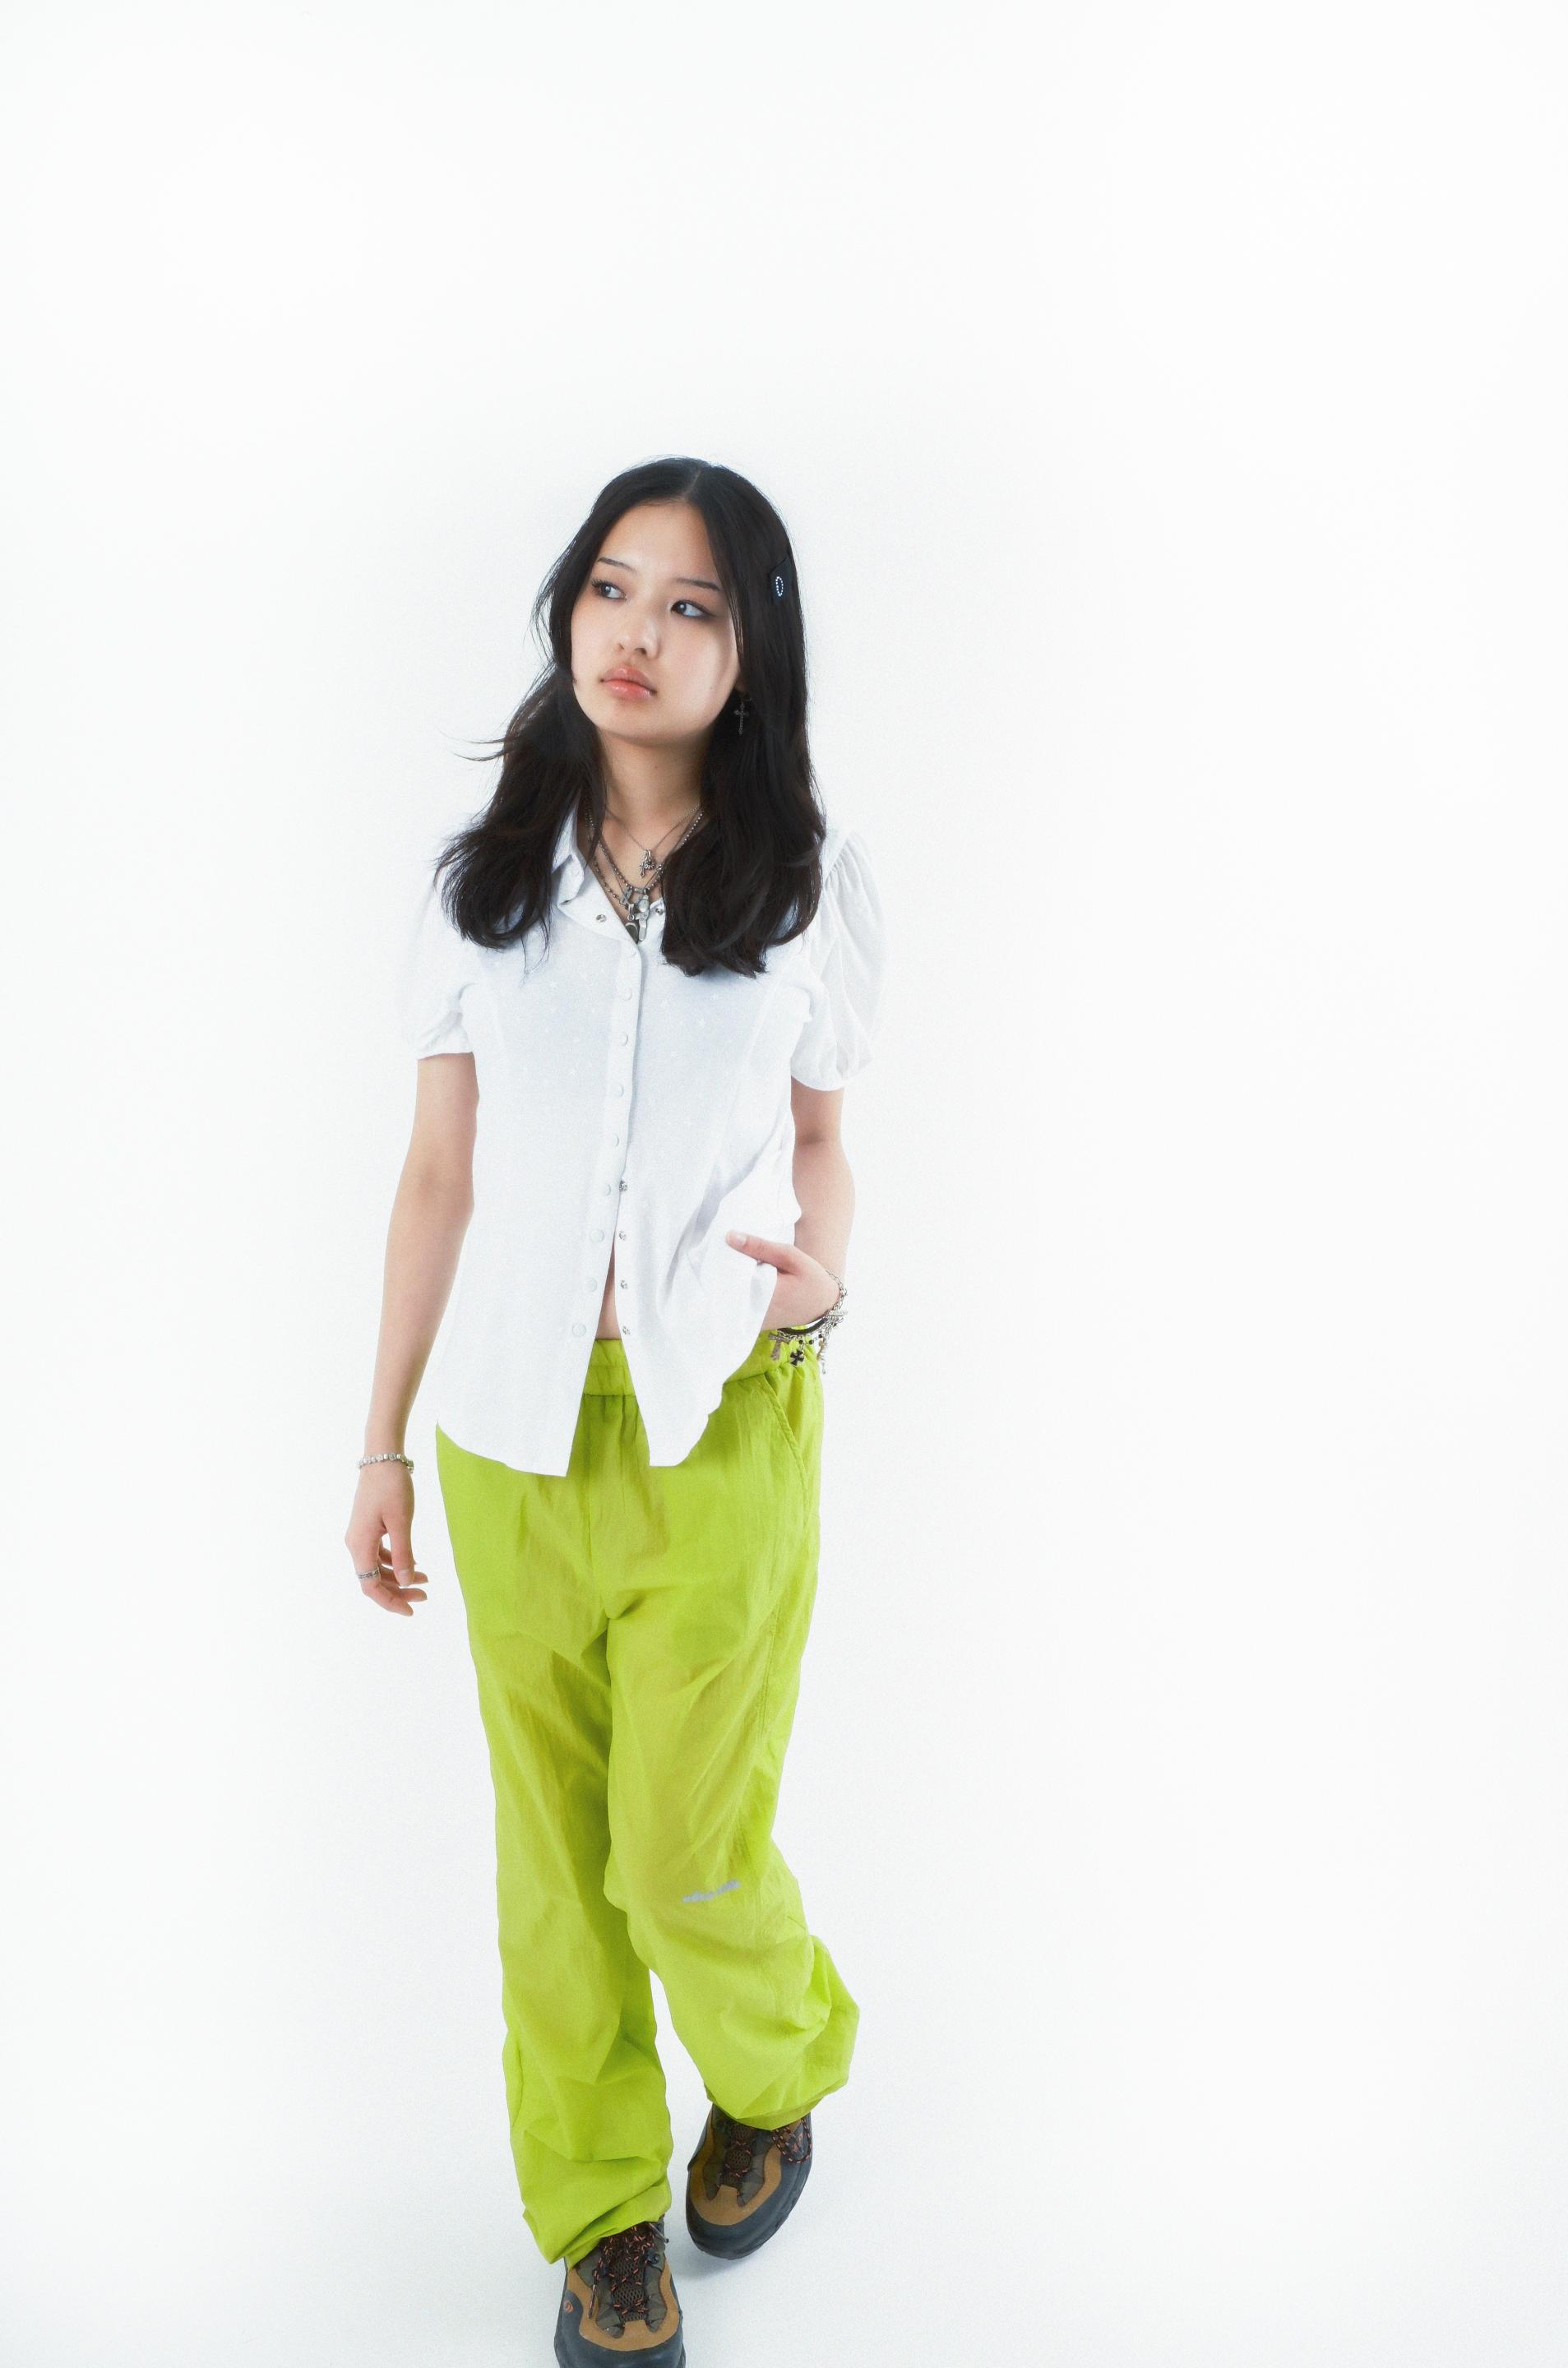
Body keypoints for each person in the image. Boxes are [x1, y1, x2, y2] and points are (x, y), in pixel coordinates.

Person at [345, 456, 886, 2366]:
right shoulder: (480, 884)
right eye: (611, 587)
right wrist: (379, 1442)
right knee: (554, 1865)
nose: (636, 633)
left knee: (680, 1849)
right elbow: (437, 1176)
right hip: (507, 1433)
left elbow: (822, 1142)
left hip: (718, 1424)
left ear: (750, 654)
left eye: (690, 604)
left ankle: (779, 2060)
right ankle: (595, 2218)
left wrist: (823, 1277)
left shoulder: (806, 883)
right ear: (568, 609)